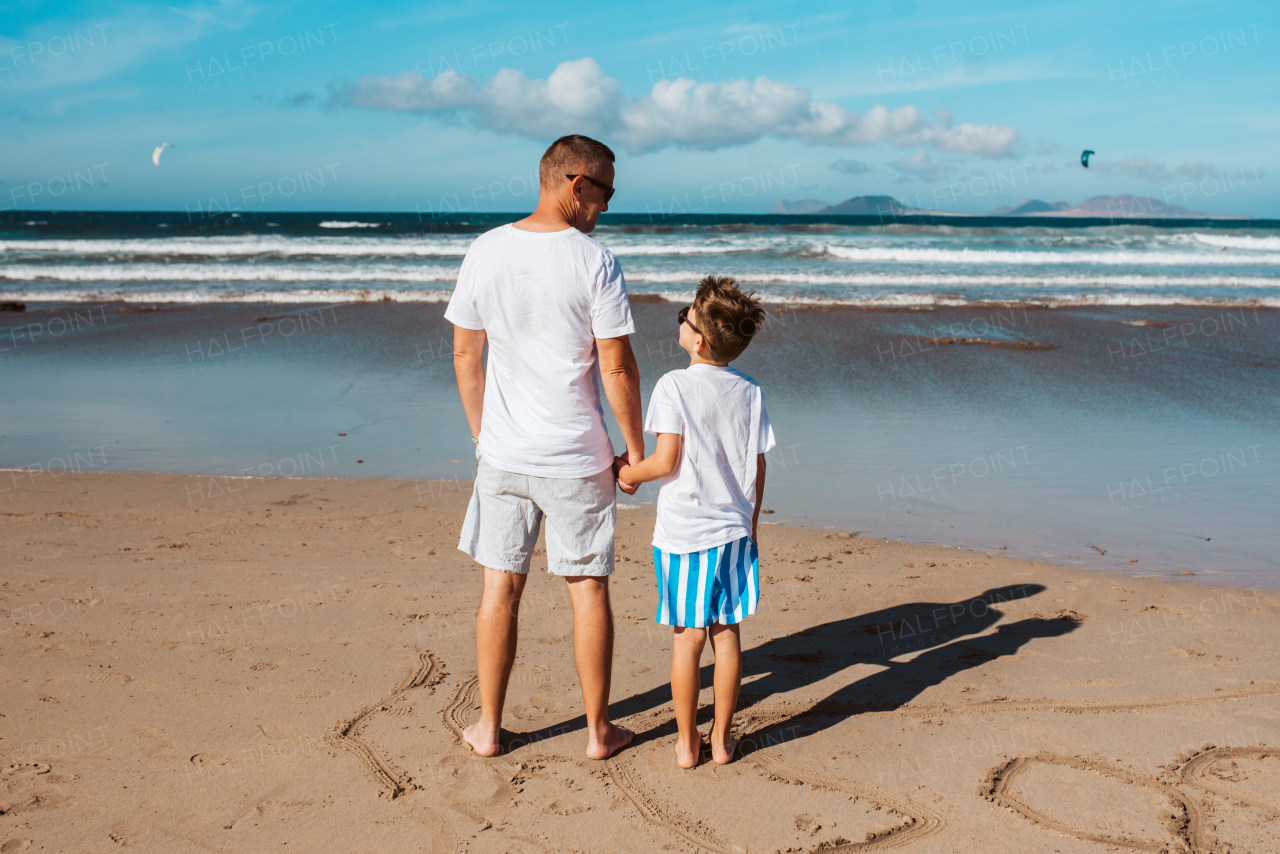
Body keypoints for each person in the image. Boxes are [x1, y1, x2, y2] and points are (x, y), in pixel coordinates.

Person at [446, 134, 641, 760]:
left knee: (499, 588)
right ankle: (597, 732)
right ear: (576, 184)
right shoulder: (593, 261)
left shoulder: (485, 250)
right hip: (577, 459)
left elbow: (464, 353)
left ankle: (488, 729)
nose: (607, 207)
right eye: (606, 192)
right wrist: (634, 450)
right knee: (587, 588)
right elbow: (616, 369)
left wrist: (483, 435)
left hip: (504, 455)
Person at [616, 276, 773, 768]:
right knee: (726, 637)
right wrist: (750, 523)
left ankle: (687, 744)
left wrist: (627, 473)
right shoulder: (749, 390)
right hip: (733, 533)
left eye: (684, 316)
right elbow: (758, 465)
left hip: (685, 536)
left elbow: (665, 461)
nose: (680, 320)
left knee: (688, 641)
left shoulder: (673, 385)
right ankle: (722, 741)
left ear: (698, 340)